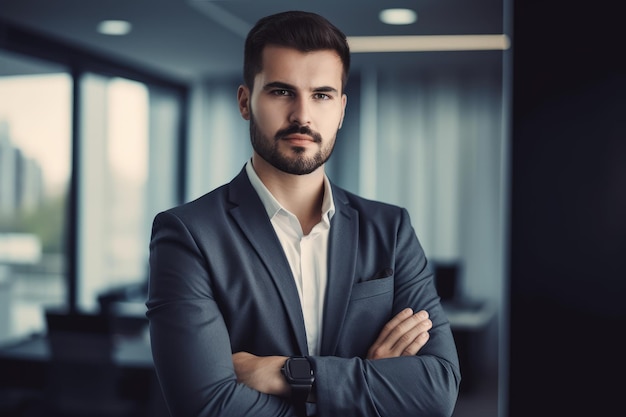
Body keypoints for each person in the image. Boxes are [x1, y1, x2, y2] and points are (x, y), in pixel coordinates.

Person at [146, 10, 460, 417]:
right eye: (281, 92)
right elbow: (206, 405)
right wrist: (366, 385)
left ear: (342, 110)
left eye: (322, 95)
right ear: (245, 102)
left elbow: (437, 389)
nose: (303, 116)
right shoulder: (188, 233)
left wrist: (290, 375)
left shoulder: (390, 229)